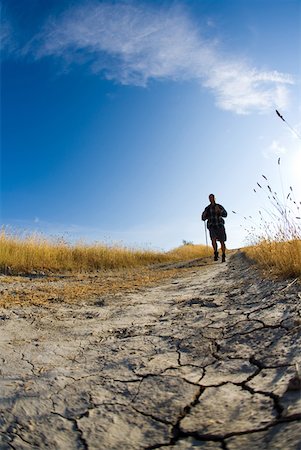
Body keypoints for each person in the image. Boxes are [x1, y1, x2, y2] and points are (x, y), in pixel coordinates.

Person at [202, 194, 227, 262]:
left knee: (222, 241)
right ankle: (216, 253)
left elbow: (225, 214)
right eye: (209, 198)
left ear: (214, 198)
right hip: (212, 226)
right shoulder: (207, 208)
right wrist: (204, 215)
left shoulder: (219, 206)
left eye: (212, 197)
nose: (211, 199)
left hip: (220, 225)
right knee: (213, 240)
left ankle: (223, 255)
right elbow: (203, 218)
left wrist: (219, 211)